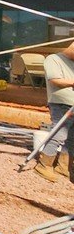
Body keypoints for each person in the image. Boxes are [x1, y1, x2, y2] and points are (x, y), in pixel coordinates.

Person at [36, 42, 74, 183]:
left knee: (71, 137)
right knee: (60, 132)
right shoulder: (53, 59)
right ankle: (44, 164)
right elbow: (55, 80)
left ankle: (64, 166)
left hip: (72, 103)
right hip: (60, 102)